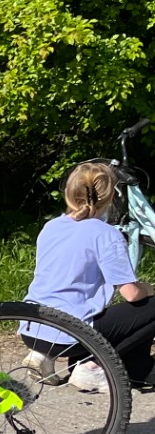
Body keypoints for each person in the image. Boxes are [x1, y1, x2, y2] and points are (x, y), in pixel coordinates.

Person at [21, 161, 155, 388]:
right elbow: (130, 294)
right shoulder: (106, 234)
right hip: (72, 333)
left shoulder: (51, 227)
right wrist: (148, 288)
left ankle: (44, 355)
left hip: (32, 325)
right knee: (147, 304)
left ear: (69, 193)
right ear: (112, 196)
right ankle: (94, 366)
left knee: (118, 314)